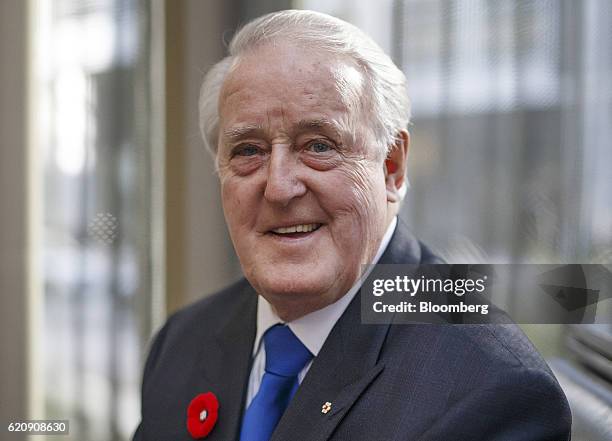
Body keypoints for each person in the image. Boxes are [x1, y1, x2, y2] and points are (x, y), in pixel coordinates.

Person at [134, 10, 571, 441]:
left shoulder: (488, 388)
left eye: (319, 145)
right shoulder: (183, 340)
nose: (279, 188)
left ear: (392, 168)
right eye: (249, 150)